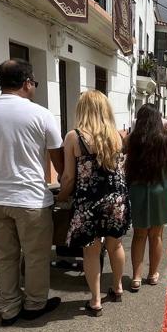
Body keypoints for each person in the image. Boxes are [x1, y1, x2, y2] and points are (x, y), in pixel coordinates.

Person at [0, 59, 64, 325]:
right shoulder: (41, 114)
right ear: (26, 83)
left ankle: (8, 307)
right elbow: (57, 159)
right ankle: (34, 304)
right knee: (35, 255)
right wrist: (67, 184)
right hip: (30, 198)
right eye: (34, 82)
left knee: (4, 254)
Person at [57, 91, 130, 316]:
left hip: (88, 201)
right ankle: (117, 288)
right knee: (115, 245)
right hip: (116, 199)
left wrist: (61, 197)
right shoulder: (118, 136)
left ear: (83, 110)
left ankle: (95, 301)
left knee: (91, 251)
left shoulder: (74, 137)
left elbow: (69, 177)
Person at [125, 104, 167, 291]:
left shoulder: (134, 139)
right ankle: (153, 274)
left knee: (139, 235)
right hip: (160, 191)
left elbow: (120, 148)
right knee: (156, 235)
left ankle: (136, 278)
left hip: (137, 191)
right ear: (158, 120)